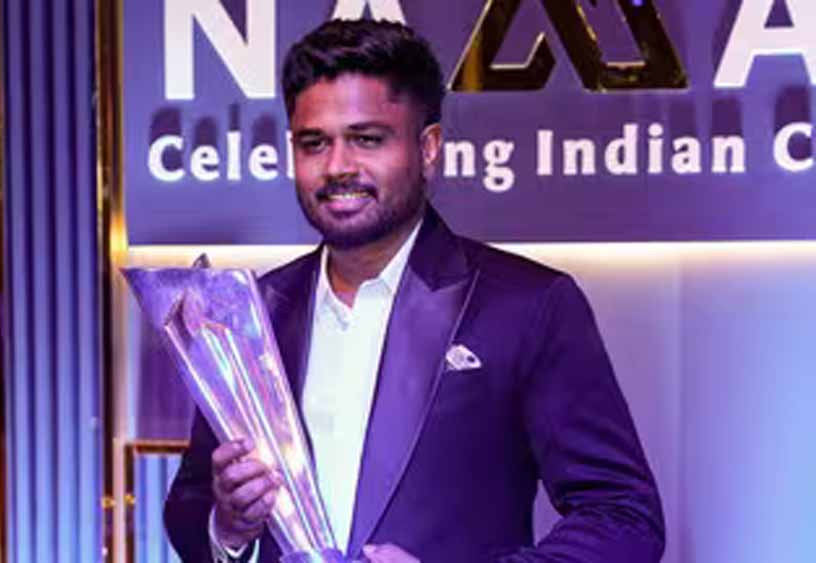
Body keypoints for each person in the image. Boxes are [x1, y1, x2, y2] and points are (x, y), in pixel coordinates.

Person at [164, 19, 664, 563]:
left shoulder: (527, 305)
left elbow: (623, 518)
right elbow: (192, 507)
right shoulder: (251, 312)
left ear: (428, 148)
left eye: (367, 139)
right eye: (314, 143)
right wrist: (228, 529)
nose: (337, 167)